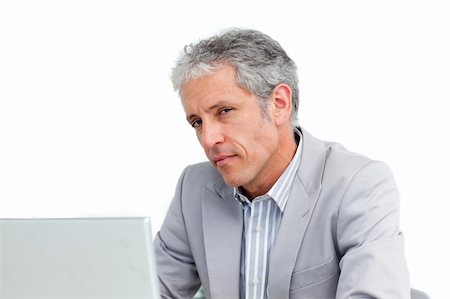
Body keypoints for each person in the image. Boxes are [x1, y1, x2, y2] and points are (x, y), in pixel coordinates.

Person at [154, 29, 409, 299]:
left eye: (224, 111)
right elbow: (145, 290)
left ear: (279, 104)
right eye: (197, 122)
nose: (208, 138)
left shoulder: (359, 184)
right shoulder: (195, 188)